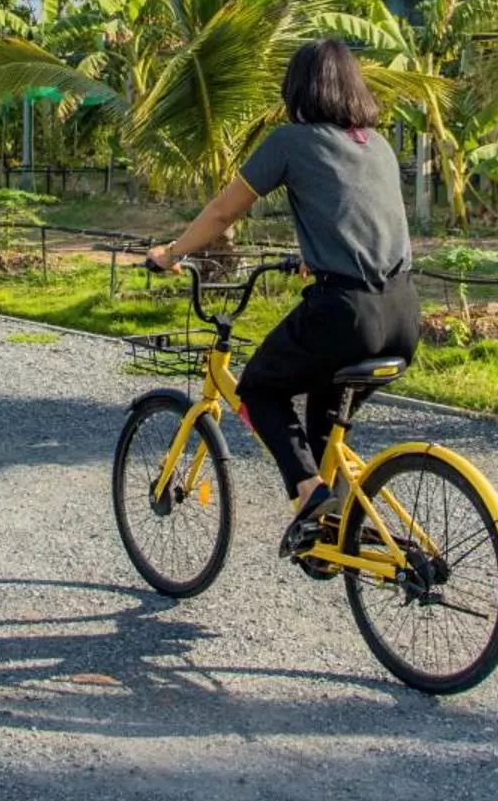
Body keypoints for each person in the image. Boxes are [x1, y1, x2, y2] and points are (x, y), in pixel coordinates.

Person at [149, 39, 416, 554]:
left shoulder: (291, 141)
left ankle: (313, 496)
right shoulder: (377, 145)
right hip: (403, 313)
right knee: (322, 418)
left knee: (260, 389)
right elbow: (362, 218)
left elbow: (224, 213)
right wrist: (314, 255)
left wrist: (172, 252)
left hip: (345, 313)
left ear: (298, 89)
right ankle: (331, 532)